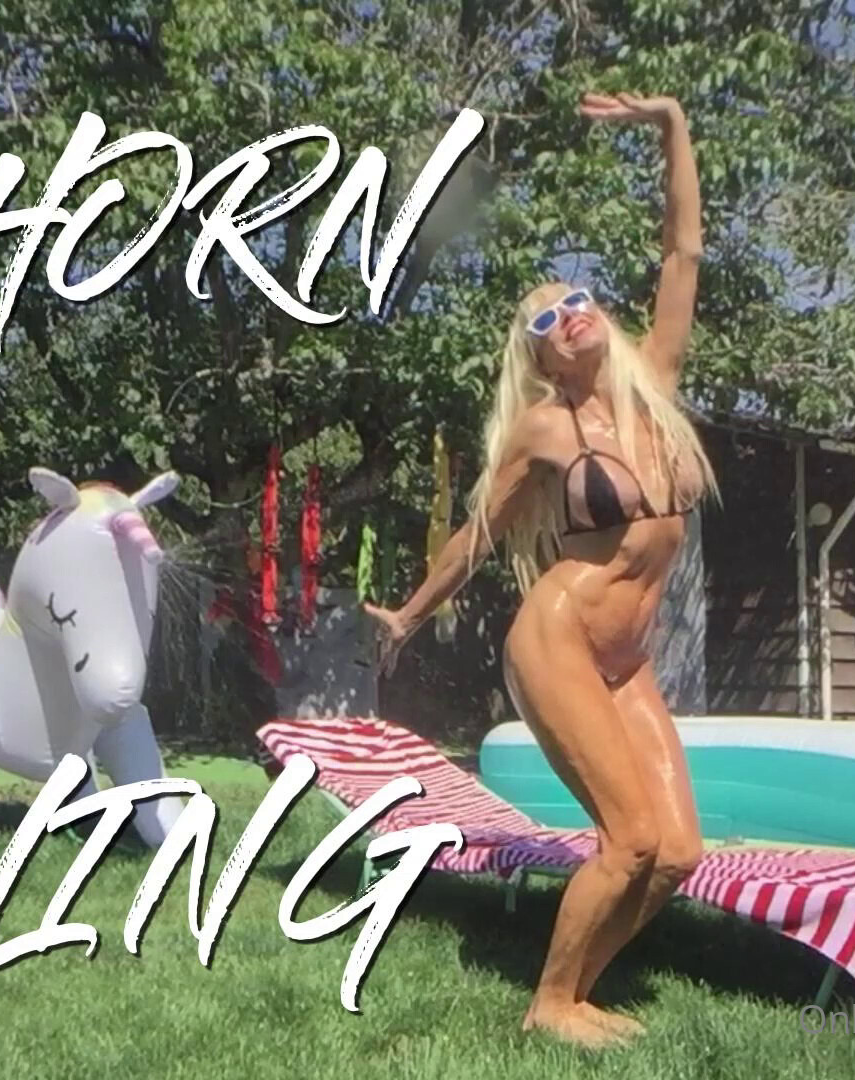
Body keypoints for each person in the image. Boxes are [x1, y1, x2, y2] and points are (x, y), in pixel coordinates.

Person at [364, 90, 715, 1049]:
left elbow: (683, 252)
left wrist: (671, 123)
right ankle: (549, 1005)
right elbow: (479, 532)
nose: (568, 317)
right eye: (545, 320)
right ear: (543, 359)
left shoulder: (655, 383)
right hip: (558, 638)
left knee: (676, 852)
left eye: (575, 300)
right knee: (630, 839)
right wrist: (408, 614)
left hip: (627, 658)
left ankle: (579, 988)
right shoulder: (544, 428)